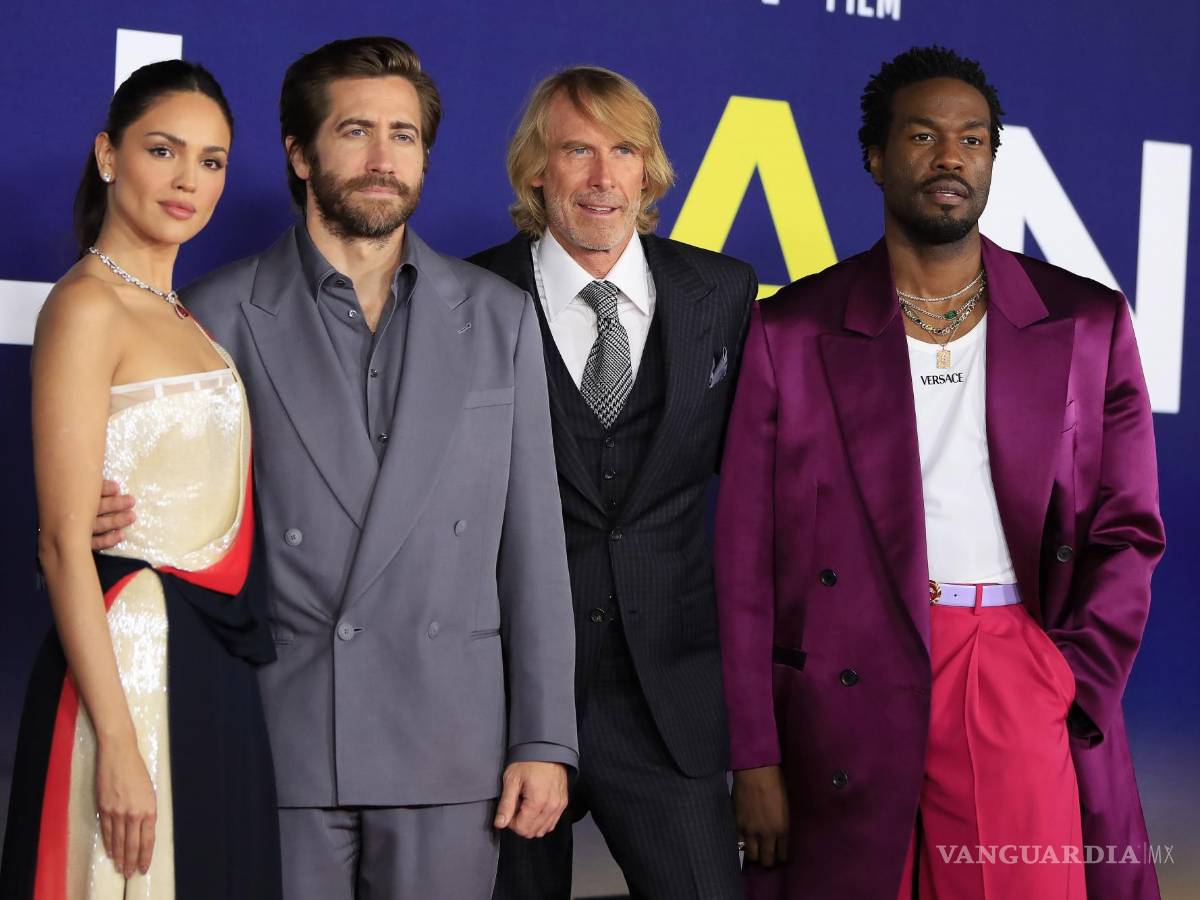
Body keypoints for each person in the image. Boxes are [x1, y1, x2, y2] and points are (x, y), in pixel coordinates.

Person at [91, 37, 576, 900]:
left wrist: (544, 738)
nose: (384, 158)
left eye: (404, 135)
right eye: (355, 131)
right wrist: (104, 516)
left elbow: (534, 546)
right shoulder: (213, 314)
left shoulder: (499, 316)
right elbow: (162, 523)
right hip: (279, 733)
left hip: (449, 741)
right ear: (300, 153)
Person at [715, 46, 1164, 900]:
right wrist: (756, 754)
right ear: (876, 157)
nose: (951, 156)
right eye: (923, 135)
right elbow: (744, 562)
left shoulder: (1085, 321)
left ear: (993, 157)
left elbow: (1128, 525)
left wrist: (1073, 677)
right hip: (843, 684)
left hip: (1015, 666)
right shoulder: (792, 330)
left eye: (973, 138)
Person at [470, 66, 757, 899]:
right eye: (577, 151)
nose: (603, 177)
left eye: (624, 151)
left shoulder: (722, 292)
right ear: (536, 168)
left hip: (667, 703)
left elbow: (759, 500)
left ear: (649, 170)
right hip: (505, 705)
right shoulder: (467, 295)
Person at [0, 61, 281, 899]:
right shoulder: (88, 306)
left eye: (211, 160)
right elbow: (62, 544)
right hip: (131, 663)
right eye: (163, 150)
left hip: (208, 654)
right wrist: (119, 748)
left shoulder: (183, 314)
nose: (188, 179)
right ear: (108, 156)